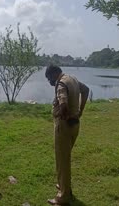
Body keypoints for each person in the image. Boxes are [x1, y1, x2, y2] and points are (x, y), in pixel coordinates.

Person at [45, 65, 89, 205]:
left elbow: (63, 103)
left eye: (48, 78)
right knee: (65, 158)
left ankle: (63, 198)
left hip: (64, 127)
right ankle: (64, 187)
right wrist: (80, 111)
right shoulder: (72, 79)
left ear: (53, 74)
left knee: (62, 161)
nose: (49, 82)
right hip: (75, 125)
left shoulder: (61, 83)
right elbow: (86, 90)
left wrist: (63, 115)